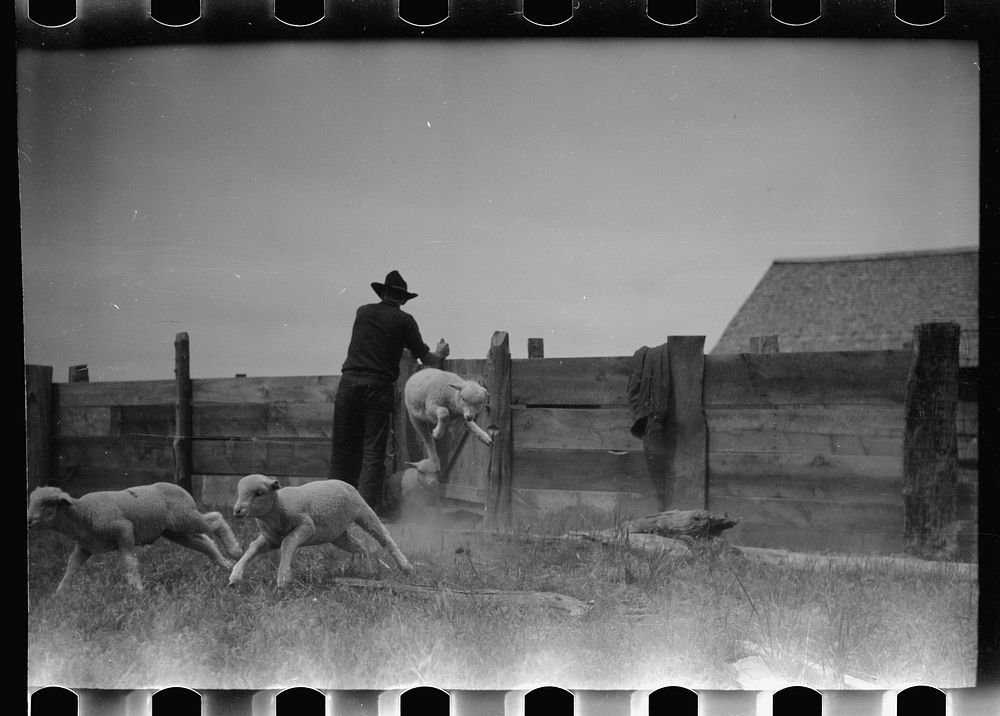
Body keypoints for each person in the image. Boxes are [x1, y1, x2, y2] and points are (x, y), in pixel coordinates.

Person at [330, 270, 450, 520]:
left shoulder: (363, 312)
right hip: (377, 387)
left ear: (382, 293)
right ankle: (362, 514)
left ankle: (332, 509)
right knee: (373, 451)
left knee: (342, 448)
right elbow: (425, 357)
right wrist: (440, 354)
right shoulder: (404, 321)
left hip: (348, 384)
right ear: (403, 299)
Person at [626, 343, 676, 511]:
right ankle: (662, 506)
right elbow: (633, 393)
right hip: (653, 421)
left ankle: (664, 506)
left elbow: (633, 391)